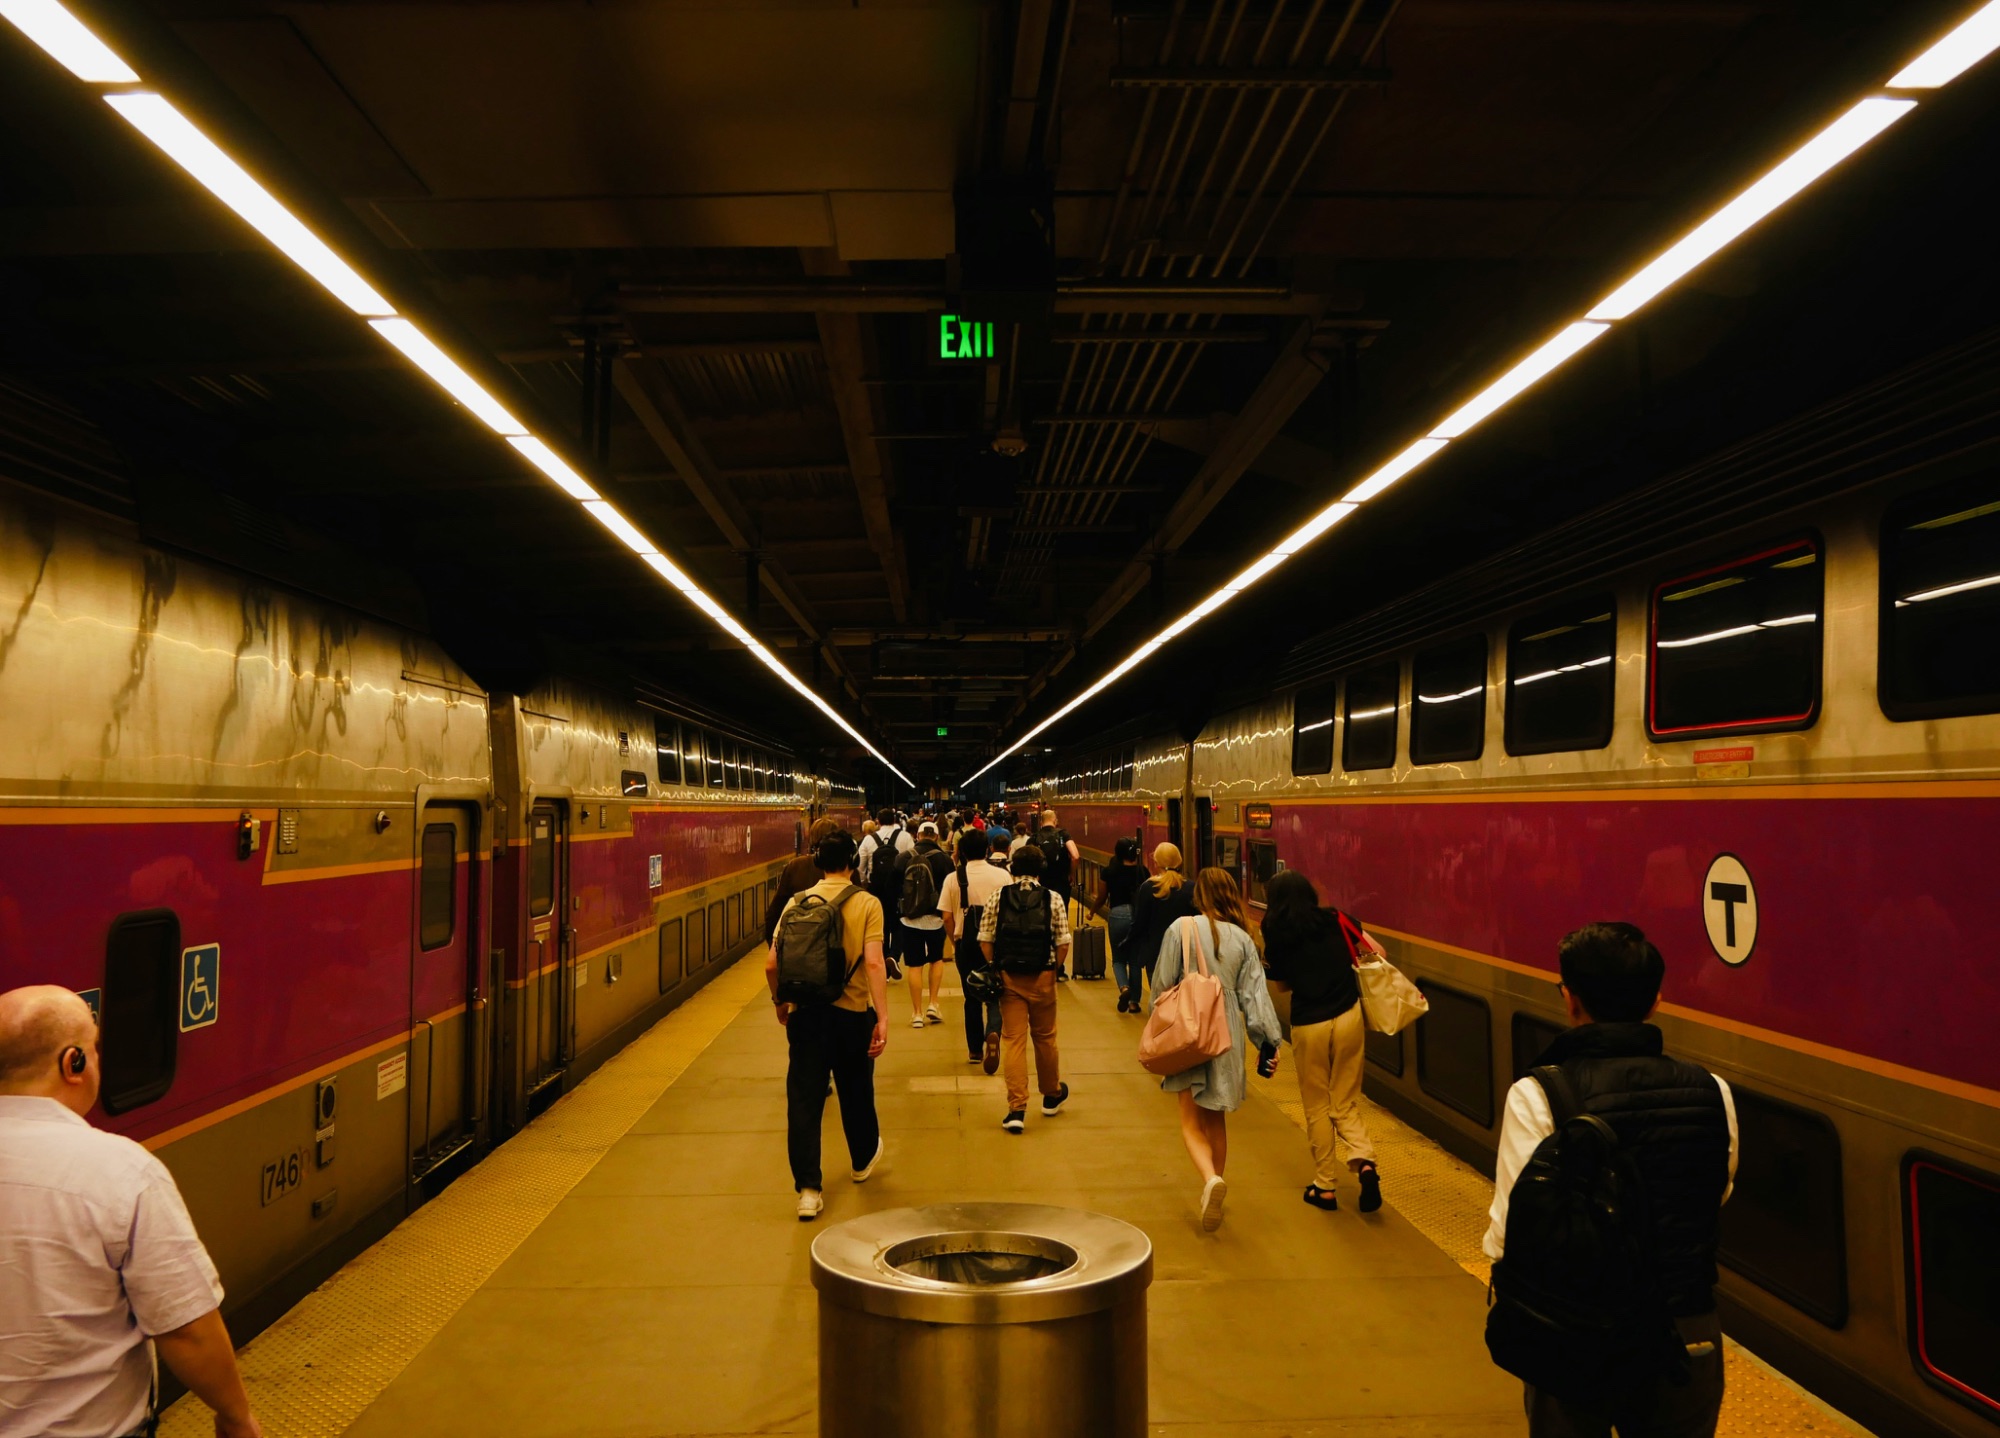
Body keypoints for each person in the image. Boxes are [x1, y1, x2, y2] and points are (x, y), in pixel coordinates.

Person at [1485, 922, 1738, 1437]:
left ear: (1571, 1000)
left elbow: (1514, 1232)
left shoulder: (1539, 1095)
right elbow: (1715, 1191)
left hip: (1575, 1334)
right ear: (1657, 1002)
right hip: (1687, 1328)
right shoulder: (1714, 1092)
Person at [0, 986, 265, 1438]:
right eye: (94, 1048)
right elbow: (185, 1328)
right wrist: (234, 1416)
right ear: (73, 1064)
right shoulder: (121, 1171)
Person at [766, 831, 890, 1222]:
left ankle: (808, 1191)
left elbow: (772, 965)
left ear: (818, 862)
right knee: (856, 1089)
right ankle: (862, 1159)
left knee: (804, 1099)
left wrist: (780, 1002)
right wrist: (882, 1017)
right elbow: (874, 963)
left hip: (806, 1016)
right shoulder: (867, 903)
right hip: (851, 1013)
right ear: (853, 860)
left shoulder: (795, 903)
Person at [1149, 868, 1282, 1232]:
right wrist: (1268, 1042)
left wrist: (1158, 1027)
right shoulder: (1243, 938)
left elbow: (1161, 985)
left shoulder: (1181, 929)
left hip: (1189, 1030)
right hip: (1226, 1035)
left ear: (1200, 896)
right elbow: (1256, 999)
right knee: (1215, 1117)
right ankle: (1216, 1183)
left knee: (1189, 1120)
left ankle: (1209, 1181)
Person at [1260, 870, 1381, 1212]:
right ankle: (1365, 1161)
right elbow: (1378, 951)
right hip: (1348, 1017)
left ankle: (1325, 1186)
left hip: (1309, 1023)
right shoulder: (1338, 918)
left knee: (1317, 1105)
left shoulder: (1275, 929)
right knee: (1344, 1100)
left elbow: (1283, 986)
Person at [977, 843, 1071, 1134]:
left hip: (1009, 978)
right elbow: (1063, 942)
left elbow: (985, 939)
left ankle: (1016, 1109)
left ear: (1013, 869)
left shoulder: (999, 896)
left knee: (1014, 1040)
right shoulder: (1052, 898)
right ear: (1041, 869)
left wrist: (997, 966)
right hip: (1043, 976)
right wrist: (1052, 971)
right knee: (1045, 1038)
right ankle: (1051, 1095)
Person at [939, 827, 1011, 1071]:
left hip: (965, 943)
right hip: (995, 943)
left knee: (970, 998)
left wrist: (954, 941)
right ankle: (993, 1032)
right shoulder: (1002, 877)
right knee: (995, 994)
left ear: (961, 852)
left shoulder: (953, 878)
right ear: (988, 849)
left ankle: (974, 1050)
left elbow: (947, 917)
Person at [893, 821, 953, 1028]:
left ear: (917, 835)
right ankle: (933, 1004)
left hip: (909, 919)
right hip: (936, 918)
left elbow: (893, 888)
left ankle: (917, 1013)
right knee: (936, 960)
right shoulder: (945, 860)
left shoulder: (903, 858)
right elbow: (950, 890)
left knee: (914, 965)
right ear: (936, 837)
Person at [1124, 841, 1194, 1011]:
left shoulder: (1148, 888)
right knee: (1184, 1004)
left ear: (1156, 863)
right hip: (1186, 954)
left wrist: (1128, 944)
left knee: (1161, 1004)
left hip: (1155, 954)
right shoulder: (1191, 888)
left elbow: (1140, 923)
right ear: (1179, 861)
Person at [764, 816, 840, 945]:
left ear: (812, 839)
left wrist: (776, 948)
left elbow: (774, 914)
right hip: (838, 948)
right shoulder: (845, 868)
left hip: (800, 948)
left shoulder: (796, 866)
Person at [1098, 837, 1147, 1011]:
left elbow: (1102, 896)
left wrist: (1092, 911)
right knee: (1134, 961)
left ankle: (1124, 987)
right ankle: (1134, 1002)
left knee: (1118, 959)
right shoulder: (1143, 871)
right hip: (1136, 916)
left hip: (1117, 915)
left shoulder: (1109, 871)